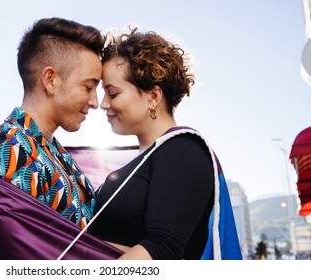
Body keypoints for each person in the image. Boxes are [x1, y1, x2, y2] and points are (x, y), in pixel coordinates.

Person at [87, 27, 242, 260]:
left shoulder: (183, 150)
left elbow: (161, 250)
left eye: (113, 93)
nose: (103, 104)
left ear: (153, 96)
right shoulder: (153, 157)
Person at [0, 17, 105, 259]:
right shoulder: (12, 147)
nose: (95, 102)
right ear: (50, 80)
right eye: (88, 87)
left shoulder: (55, 153)